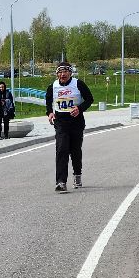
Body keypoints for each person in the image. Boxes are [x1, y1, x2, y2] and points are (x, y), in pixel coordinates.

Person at [44, 60, 93, 192]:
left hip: (76, 121)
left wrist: (79, 108)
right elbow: (48, 102)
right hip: (61, 121)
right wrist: (49, 113)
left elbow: (89, 99)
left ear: (70, 73)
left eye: (65, 71)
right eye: (60, 72)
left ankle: (77, 174)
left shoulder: (78, 84)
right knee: (61, 150)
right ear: (57, 74)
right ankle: (61, 182)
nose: (63, 74)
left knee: (75, 150)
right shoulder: (53, 87)